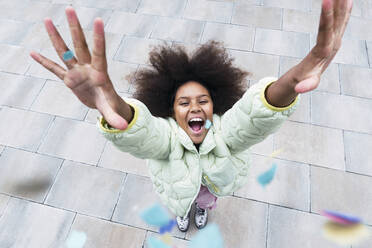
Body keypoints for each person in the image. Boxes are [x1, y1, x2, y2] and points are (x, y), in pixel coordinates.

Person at [30, 0, 353, 232]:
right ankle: (184, 212)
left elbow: (253, 115)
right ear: (170, 111)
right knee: (180, 203)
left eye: (203, 100)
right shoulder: (166, 137)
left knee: (206, 201)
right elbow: (143, 133)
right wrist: (110, 101)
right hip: (176, 188)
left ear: (216, 105)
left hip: (214, 185)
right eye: (184, 103)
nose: (195, 107)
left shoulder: (227, 131)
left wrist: (291, 82)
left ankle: (201, 209)